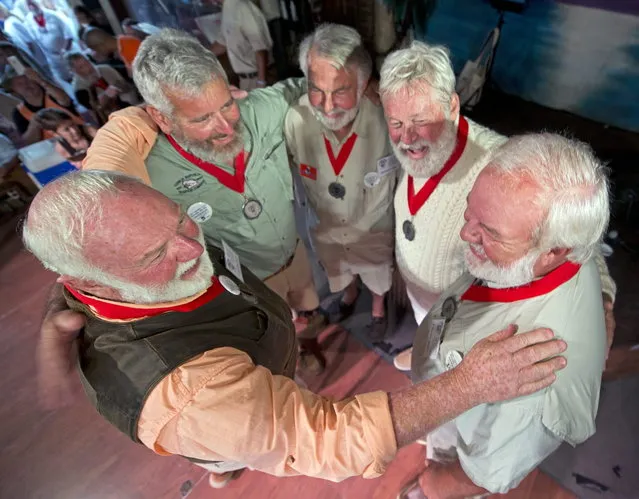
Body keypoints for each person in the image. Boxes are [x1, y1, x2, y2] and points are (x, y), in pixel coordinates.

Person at [27, 169, 567, 488]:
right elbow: (332, 439)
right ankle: (223, 468)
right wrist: (471, 384)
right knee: (234, 448)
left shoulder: (153, 247)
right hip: (221, 418)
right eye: (154, 256)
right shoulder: (185, 394)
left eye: (180, 221)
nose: (192, 250)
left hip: (257, 361)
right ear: (85, 280)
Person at [45, 28, 328, 373]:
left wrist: (370, 87)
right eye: (202, 118)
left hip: (293, 254)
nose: (225, 126)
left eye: (226, 104)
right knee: (273, 342)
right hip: (243, 284)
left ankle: (311, 342)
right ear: (162, 117)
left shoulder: (260, 109)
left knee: (308, 308)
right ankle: (293, 366)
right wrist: (60, 308)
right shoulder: (148, 171)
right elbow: (92, 227)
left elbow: (305, 88)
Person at [378, 41, 617, 369]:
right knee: (428, 340)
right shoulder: (414, 147)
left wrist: (601, 299)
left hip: (466, 317)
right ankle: (425, 347)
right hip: (424, 302)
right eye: (396, 123)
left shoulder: (500, 165)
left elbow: (575, 231)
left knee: (456, 368)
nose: (406, 138)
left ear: (451, 107)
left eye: (420, 121)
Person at [400, 133, 610, 498]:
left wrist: (433, 484)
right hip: (449, 406)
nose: (466, 233)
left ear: (553, 251)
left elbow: (483, 472)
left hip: (459, 444)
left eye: (490, 232)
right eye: (471, 212)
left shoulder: (538, 384)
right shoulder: (551, 249)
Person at [285, 24, 396, 339]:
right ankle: (349, 295)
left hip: (374, 223)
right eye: (317, 88)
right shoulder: (296, 120)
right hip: (327, 225)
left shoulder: (385, 115)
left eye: (341, 91)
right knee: (338, 268)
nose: (327, 105)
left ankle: (377, 306)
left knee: (377, 271)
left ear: (363, 85)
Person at [2, 65, 83, 143]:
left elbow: (65, 100)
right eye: (19, 84)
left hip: (83, 136)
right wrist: (34, 124)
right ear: (14, 90)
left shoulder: (52, 93)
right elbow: (29, 141)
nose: (26, 85)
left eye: (28, 80)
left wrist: (40, 80)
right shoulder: (19, 112)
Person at [211, 0, 273, 90]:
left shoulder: (242, 7)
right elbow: (222, 43)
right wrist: (199, 55)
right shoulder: (227, 7)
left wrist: (261, 82)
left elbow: (260, 48)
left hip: (257, 78)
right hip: (245, 80)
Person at [66, 51, 140, 124]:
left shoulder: (106, 69)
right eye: (81, 67)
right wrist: (106, 96)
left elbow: (128, 85)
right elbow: (95, 109)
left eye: (87, 62)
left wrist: (120, 87)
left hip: (133, 105)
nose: (88, 67)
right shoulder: (79, 89)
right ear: (74, 71)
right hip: (113, 120)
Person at [23, 0, 75, 83]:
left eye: (33, 3)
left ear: (38, 3)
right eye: (28, 4)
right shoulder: (28, 22)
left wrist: (65, 50)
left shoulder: (52, 15)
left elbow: (68, 33)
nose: (31, 6)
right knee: (67, 80)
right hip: (53, 57)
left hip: (67, 51)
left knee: (79, 73)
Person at [0, 3, 49, 72]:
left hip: (34, 61)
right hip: (30, 63)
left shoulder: (10, 24)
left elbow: (28, 42)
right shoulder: (9, 24)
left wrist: (31, 60)